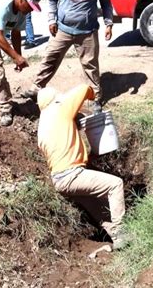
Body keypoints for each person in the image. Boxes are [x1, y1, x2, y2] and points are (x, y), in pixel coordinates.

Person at [37, 84, 128, 250]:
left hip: (60, 180)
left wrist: (87, 156)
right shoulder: (58, 109)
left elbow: (63, 153)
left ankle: (117, 239)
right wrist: (93, 97)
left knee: (99, 209)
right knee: (115, 185)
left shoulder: (43, 126)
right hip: (72, 175)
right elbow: (84, 88)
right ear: (55, 100)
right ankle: (121, 232)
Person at [22, 0, 114, 112]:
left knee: (90, 65)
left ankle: (95, 98)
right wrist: (52, 19)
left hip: (88, 31)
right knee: (51, 57)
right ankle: (37, 87)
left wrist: (109, 23)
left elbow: (106, 3)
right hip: (63, 29)